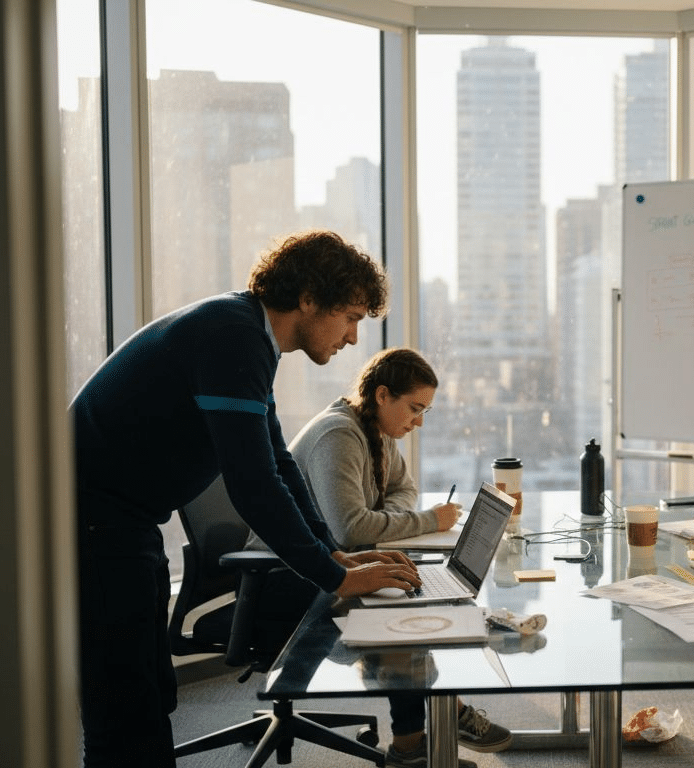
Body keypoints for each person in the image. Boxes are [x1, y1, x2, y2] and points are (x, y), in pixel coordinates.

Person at [71, 230, 422, 768]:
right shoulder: (231, 338)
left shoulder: (248, 337)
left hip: (123, 522)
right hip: (92, 523)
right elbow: (253, 484)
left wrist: (333, 553)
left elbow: (278, 461)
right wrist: (335, 578)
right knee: (124, 703)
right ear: (308, 298)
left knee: (150, 694)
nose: (353, 337)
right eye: (350, 316)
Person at [247, 347, 511, 767]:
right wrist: (425, 519)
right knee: (396, 608)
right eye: (415, 408)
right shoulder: (340, 435)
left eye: (425, 410)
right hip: (284, 579)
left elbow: (401, 489)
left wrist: (384, 518)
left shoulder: (379, 431)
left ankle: (422, 734)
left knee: (408, 589)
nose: (419, 420)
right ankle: (422, 736)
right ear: (383, 395)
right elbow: (352, 528)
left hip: (331, 564)